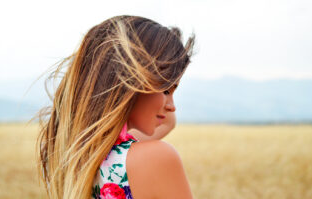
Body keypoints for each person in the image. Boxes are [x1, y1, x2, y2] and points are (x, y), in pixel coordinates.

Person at [36, 15, 195, 199]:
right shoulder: (156, 158)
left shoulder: (71, 155)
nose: (172, 107)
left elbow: (166, 120)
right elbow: (169, 122)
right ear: (131, 83)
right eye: (166, 89)